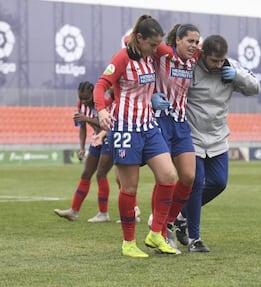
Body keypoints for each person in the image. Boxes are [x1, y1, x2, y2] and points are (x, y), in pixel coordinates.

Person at [93, 14, 178, 258]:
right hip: (125, 128)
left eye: (156, 45)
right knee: (129, 187)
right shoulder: (122, 57)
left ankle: (155, 233)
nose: (155, 49)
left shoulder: (151, 50)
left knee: (168, 176)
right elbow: (101, 84)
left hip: (149, 126)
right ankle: (128, 242)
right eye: (151, 44)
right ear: (138, 38)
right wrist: (100, 110)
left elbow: (170, 52)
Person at [175, 35, 261, 252]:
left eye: (221, 61)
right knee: (196, 182)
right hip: (192, 136)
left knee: (219, 183)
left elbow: (255, 87)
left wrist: (237, 76)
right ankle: (195, 239)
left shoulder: (231, 66)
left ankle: (178, 215)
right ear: (203, 54)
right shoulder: (190, 67)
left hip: (217, 137)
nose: (218, 65)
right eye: (214, 61)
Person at [149, 23, 200, 251]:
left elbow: (216, 53)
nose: (194, 45)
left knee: (188, 177)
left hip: (180, 122)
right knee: (165, 177)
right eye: (190, 41)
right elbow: (134, 40)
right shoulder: (163, 54)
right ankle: (158, 230)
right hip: (160, 120)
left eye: (196, 42)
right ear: (177, 40)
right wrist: (151, 97)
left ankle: (166, 221)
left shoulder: (194, 59)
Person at [54, 81, 116, 223]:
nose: (84, 102)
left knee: (101, 174)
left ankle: (103, 213)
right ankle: (73, 211)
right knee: (86, 173)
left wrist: (86, 118)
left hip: (110, 138)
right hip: (96, 139)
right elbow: (82, 127)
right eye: (81, 98)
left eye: (87, 99)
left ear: (94, 94)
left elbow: (109, 124)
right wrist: (81, 147)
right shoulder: (80, 105)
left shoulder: (104, 102)